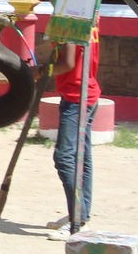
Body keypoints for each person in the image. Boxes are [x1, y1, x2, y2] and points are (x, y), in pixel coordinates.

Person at [37, 13, 101, 241]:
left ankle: (77, 219)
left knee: (64, 157)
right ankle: (80, 213)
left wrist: (41, 71)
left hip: (77, 98)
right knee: (82, 158)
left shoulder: (67, 22)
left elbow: (68, 63)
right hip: (86, 93)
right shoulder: (88, 16)